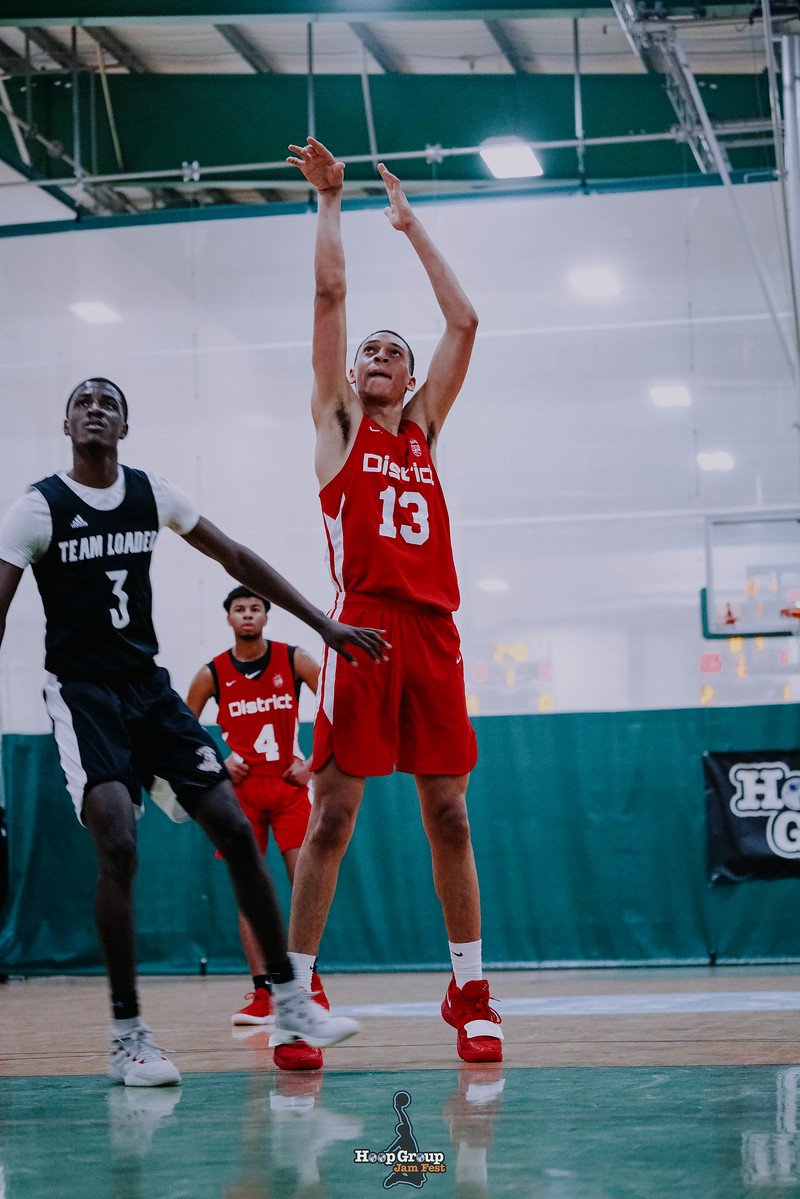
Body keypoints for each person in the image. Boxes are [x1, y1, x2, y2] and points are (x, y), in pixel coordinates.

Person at [0, 377, 387, 1087]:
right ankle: (128, 1036)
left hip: (149, 688)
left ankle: (291, 1000)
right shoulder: (37, 508)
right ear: (65, 422)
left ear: (125, 423)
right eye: (83, 400)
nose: (94, 408)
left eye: (108, 401)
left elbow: (237, 557)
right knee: (117, 839)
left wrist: (323, 624)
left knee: (236, 831)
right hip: (82, 695)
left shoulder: (153, 493)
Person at [282, 137, 503, 1064]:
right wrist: (330, 205)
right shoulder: (337, 427)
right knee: (333, 814)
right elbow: (331, 299)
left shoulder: (422, 431)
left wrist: (411, 228)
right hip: (361, 629)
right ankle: (297, 991)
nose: (374, 354)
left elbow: (467, 321)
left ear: (409, 381)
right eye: (367, 349)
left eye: (391, 351)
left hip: (435, 633)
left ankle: (470, 986)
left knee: (448, 811)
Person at [186, 585, 328, 1070]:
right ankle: (264, 992)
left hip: (288, 787)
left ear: (266, 616)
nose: (247, 614)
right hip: (241, 795)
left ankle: (309, 985)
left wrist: (313, 764)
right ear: (229, 618)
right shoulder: (212, 673)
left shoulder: (294, 660)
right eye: (239, 608)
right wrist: (219, 762)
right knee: (251, 890)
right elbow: (183, 731)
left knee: (303, 880)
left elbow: (336, 702)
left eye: (255, 607)